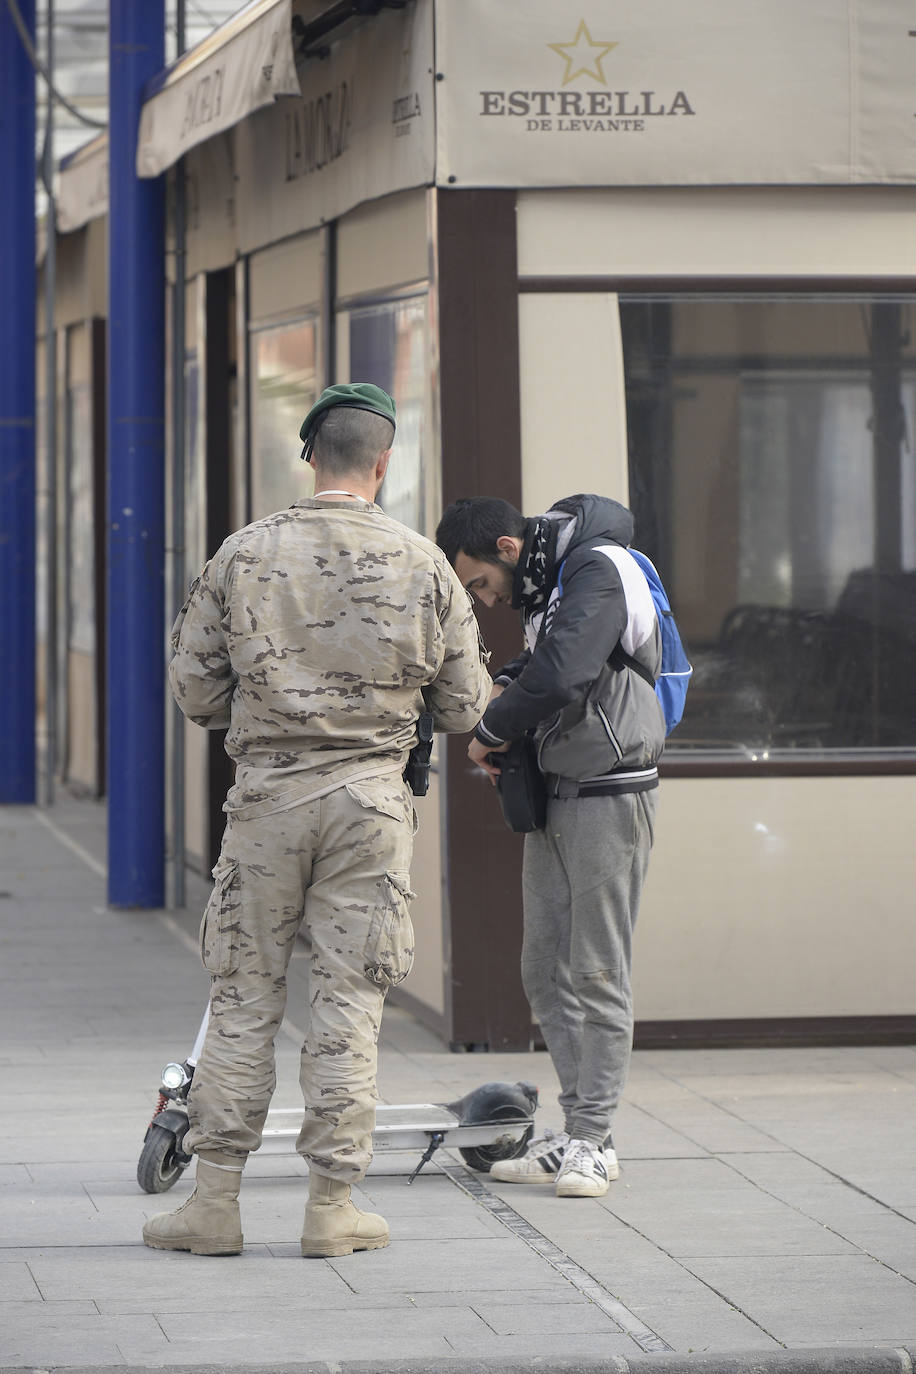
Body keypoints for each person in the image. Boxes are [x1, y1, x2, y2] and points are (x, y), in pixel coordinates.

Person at [144, 383, 490, 1258]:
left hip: (267, 802)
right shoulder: (425, 564)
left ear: (310, 456)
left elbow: (193, 690)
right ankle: (333, 1206)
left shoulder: (243, 555)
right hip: (372, 808)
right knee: (350, 1003)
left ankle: (214, 1206)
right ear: (384, 462)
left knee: (243, 997)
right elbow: (461, 707)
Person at [435, 494, 664, 1199]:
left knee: (596, 972)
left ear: (507, 548)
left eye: (477, 583)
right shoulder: (548, 586)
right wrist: (507, 685)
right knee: (544, 970)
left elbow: (565, 671)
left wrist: (493, 728)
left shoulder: (596, 567)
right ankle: (586, 1133)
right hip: (558, 792)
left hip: (611, 790)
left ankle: (592, 1139)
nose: (480, 599)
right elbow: (546, 669)